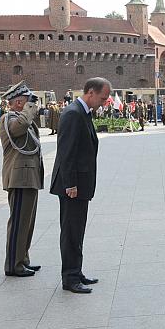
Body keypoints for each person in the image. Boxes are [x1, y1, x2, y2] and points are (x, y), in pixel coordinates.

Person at [50, 77, 111, 294]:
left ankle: (76, 270)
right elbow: (66, 153)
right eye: (103, 98)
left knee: (78, 230)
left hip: (78, 185)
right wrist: (71, 184)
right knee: (71, 232)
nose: (104, 102)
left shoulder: (81, 112)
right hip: (72, 187)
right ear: (90, 93)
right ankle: (70, 278)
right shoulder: (73, 113)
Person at [0, 82, 44, 277]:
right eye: (27, 101)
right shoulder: (8, 118)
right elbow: (21, 127)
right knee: (18, 222)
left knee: (27, 221)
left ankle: (22, 259)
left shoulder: (20, 117)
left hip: (28, 176)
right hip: (19, 178)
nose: (31, 105)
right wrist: (30, 109)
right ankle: (13, 264)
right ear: (18, 102)